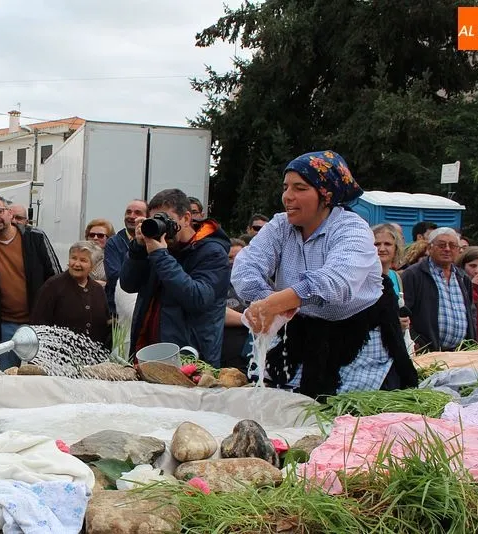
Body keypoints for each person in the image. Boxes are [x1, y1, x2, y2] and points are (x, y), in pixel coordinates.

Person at [232, 151, 417, 398]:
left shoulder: (352, 229)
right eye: (286, 187)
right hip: (302, 331)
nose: (288, 196)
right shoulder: (280, 226)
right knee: (291, 405)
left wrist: (277, 303)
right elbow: (246, 267)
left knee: (346, 411)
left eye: (300, 188)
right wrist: (265, 302)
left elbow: (336, 281)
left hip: (358, 335)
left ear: (326, 194)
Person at [121, 188, 231, 367]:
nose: (162, 227)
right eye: (156, 220)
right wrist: (137, 249)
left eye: (167, 220)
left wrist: (160, 256)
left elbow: (198, 298)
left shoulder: (212, 253)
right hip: (147, 353)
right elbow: (128, 284)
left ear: (186, 219)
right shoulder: (157, 247)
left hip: (190, 360)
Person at [0, 194, 60, 370]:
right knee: (5, 378)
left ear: (10, 213)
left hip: (38, 324)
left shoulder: (35, 237)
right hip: (3, 327)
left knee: (40, 377)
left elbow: (55, 276)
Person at [402, 228, 476, 352]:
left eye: (452, 246)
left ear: (458, 250)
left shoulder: (463, 277)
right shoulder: (413, 274)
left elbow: (471, 313)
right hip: (427, 352)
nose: (447, 249)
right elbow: (404, 311)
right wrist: (416, 342)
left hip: (460, 353)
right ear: (429, 248)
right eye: (441, 245)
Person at [32, 241, 110, 347]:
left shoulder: (97, 290)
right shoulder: (53, 286)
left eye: (83, 260)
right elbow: (38, 324)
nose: (76, 264)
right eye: (73, 258)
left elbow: (104, 324)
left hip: (92, 353)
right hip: (59, 352)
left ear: (92, 266)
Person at [372, 223, 414, 354]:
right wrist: (392, 323)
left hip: (392, 347)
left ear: (396, 248)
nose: (382, 248)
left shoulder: (396, 277)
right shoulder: (364, 277)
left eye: (387, 244)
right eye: (377, 244)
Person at [104, 199, 147, 315]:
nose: (131, 216)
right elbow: (114, 277)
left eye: (137, 213)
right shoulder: (114, 243)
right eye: (128, 212)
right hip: (118, 311)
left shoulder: (152, 243)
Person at [222, 238, 250, 371]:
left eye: (239, 257)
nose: (234, 261)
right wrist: (249, 320)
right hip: (229, 349)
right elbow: (216, 312)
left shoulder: (260, 279)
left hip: (259, 346)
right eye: (230, 258)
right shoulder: (217, 281)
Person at [84, 218, 114, 284]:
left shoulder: (115, 259)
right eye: (92, 235)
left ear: (109, 238)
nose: (95, 238)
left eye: (100, 235)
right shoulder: (78, 255)